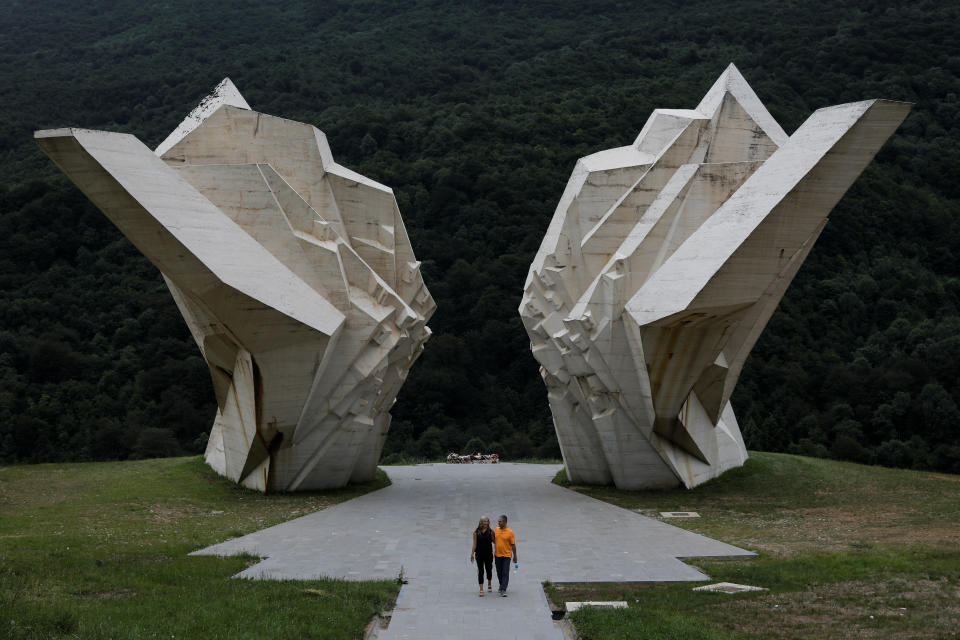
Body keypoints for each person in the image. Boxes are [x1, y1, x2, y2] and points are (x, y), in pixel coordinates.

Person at [493, 514, 517, 597]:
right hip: (497, 555)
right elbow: (494, 540)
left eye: (500, 521)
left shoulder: (510, 532)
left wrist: (515, 556)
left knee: (505, 572)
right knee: (499, 572)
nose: (498, 523)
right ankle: (501, 585)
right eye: (498, 521)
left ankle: (503, 589)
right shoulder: (496, 530)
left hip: (507, 555)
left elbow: (513, 545)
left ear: (505, 522)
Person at [469, 516, 494, 596]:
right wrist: (472, 554)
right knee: (480, 571)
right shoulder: (476, 532)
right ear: (481, 522)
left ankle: (489, 583)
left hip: (488, 554)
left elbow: (495, 542)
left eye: (487, 521)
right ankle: (481, 589)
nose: (486, 523)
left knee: (489, 569)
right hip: (479, 554)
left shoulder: (491, 531)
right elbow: (474, 544)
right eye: (484, 521)